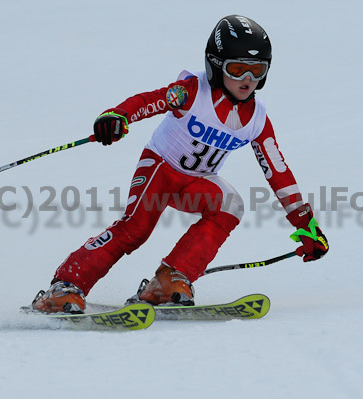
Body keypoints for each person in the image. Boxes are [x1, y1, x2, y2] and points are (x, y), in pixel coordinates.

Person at [31, 15, 328, 314]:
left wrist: (306, 225)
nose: (247, 80)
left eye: (257, 70)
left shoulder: (257, 119)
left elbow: (278, 173)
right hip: (160, 168)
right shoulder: (192, 91)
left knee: (231, 205)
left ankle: (169, 279)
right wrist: (117, 116)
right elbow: (150, 100)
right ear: (215, 64)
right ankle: (65, 286)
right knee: (135, 229)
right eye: (237, 69)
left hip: (196, 182)